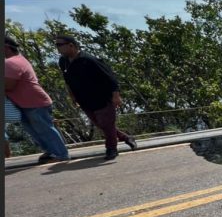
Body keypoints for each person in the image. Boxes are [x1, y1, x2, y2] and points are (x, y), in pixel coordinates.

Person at [55, 35, 137, 162]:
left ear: (71, 45)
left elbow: (110, 77)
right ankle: (126, 138)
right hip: (84, 100)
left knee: (107, 125)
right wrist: (72, 96)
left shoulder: (89, 60)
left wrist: (116, 96)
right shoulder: (63, 62)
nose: (57, 48)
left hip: (102, 98)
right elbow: (68, 81)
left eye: (59, 45)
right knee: (102, 125)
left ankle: (111, 149)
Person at [4, 34, 71, 163]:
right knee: (35, 131)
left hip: (34, 102)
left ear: (6, 47)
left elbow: (8, 85)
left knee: (45, 129)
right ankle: (51, 151)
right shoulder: (19, 59)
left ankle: (60, 154)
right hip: (26, 103)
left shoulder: (12, 62)